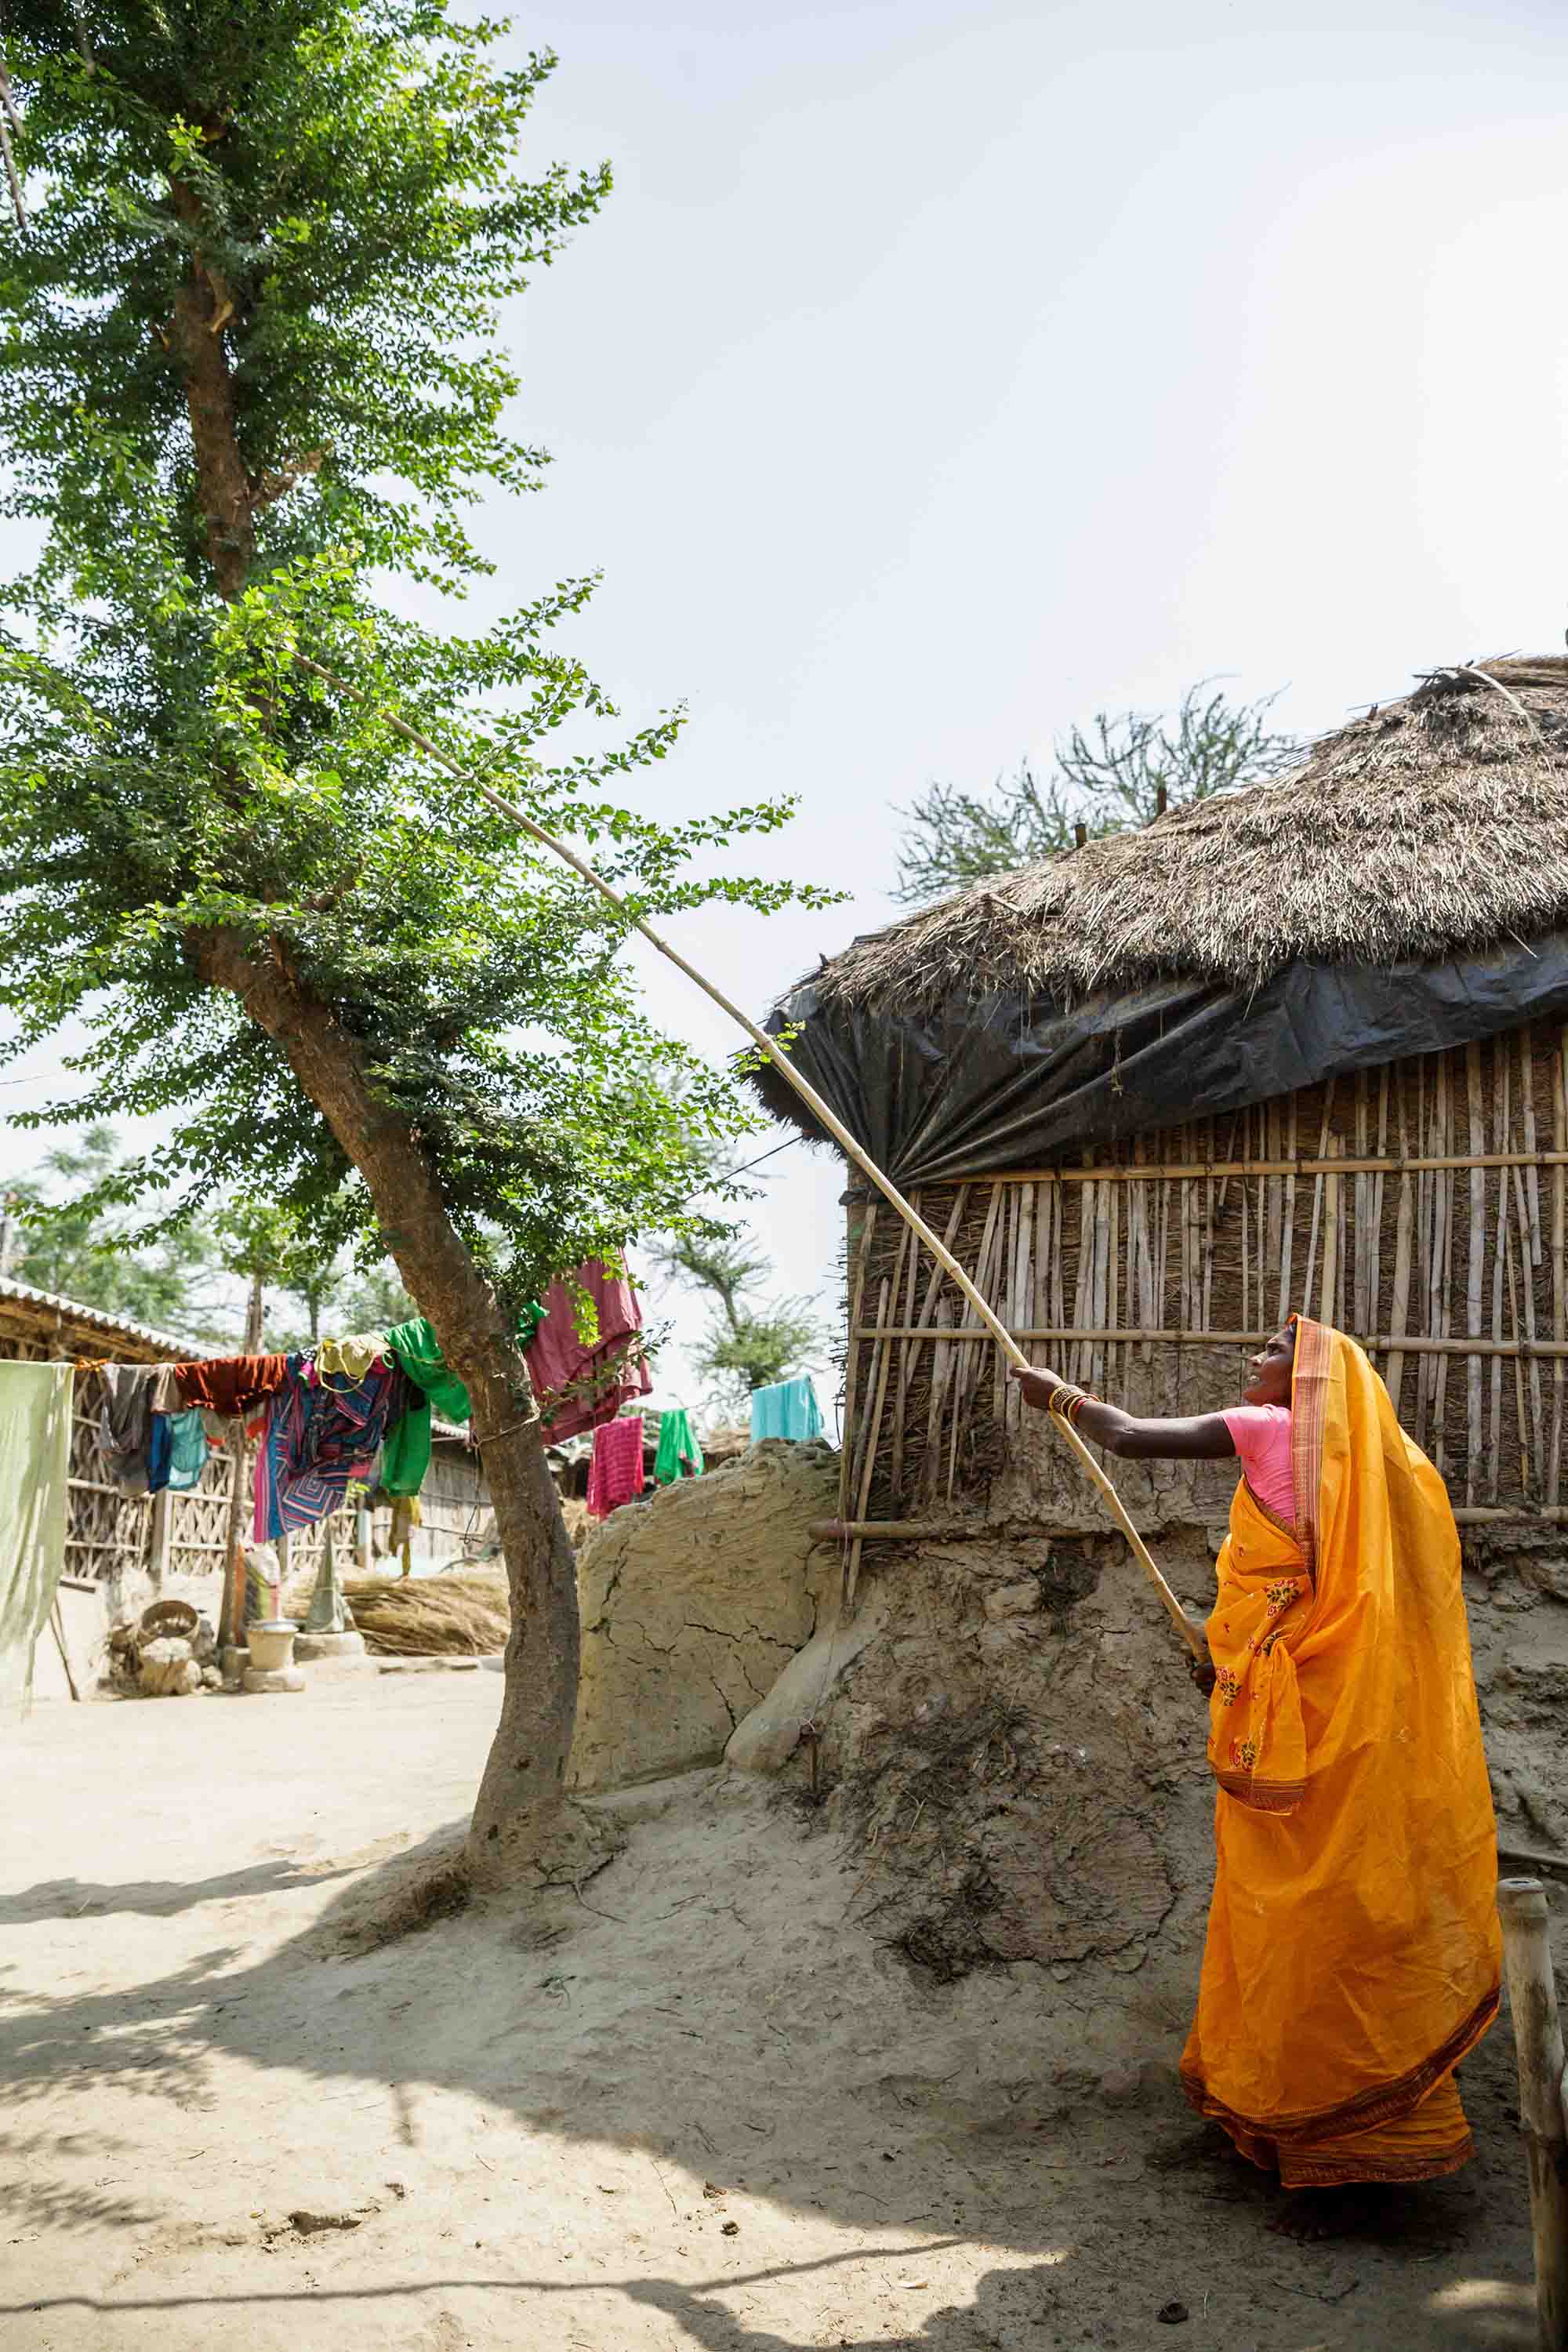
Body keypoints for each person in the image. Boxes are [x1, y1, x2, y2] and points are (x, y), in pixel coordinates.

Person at [1011, 1316, 1501, 2232]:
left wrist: (1056, 1398)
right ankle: (1367, 2124)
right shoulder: (1394, 1473)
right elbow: (1330, 1608)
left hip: (1289, 1730)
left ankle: (1303, 2121)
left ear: (1307, 1380)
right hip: (1351, 1726)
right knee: (1349, 1901)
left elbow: (1126, 1436)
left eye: (1272, 1351)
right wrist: (1230, 1655)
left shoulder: (1272, 1432)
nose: (1253, 1361)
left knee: (1286, 1913)